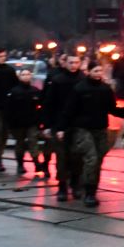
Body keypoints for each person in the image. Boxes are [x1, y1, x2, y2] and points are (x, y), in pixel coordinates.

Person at [60, 62, 116, 208]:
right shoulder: (79, 88)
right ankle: (89, 192)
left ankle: (91, 187)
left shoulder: (105, 89)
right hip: (82, 129)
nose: (98, 74)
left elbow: (112, 108)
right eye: (96, 71)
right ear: (89, 72)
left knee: (98, 160)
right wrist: (61, 128)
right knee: (91, 158)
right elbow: (69, 110)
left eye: (100, 71)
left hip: (100, 129)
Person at [43, 54, 85, 200]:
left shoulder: (83, 80)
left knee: (77, 156)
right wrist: (47, 125)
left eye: (76, 62)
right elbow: (49, 103)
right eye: (71, 62)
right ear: (65, 63)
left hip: (78, 124)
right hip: (59, 123)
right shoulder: (58, 80)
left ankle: (75, 183)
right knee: (61, 157)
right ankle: (62, 186)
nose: (73, 65)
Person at [5, 68, 43, 176]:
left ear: (31, 76)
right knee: (20, 143)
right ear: (20, 77)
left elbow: (40, 106)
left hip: (32, 122)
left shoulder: (35, 91)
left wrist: (39, 120)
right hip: (18, 123)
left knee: (33, 141)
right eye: (23, 74)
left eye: (28, 74)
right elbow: (9, 109)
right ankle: (20, 164)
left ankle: (36, 162)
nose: (26, 76)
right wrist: (10, 123)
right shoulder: (14, 91)